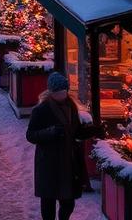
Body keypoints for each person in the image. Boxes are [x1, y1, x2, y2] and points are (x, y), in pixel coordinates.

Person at [25, 72, 97, 220]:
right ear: (51, 92)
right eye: (59, 92)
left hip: (68, 161)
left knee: (68, 202)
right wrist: (51, 132)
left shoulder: (71, 106)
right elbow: (31, 135)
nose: (62, 95)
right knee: (49, 200)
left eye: (64, 92)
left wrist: (91, 131)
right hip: (49, 161)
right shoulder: (41, 110)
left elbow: (75, 132)